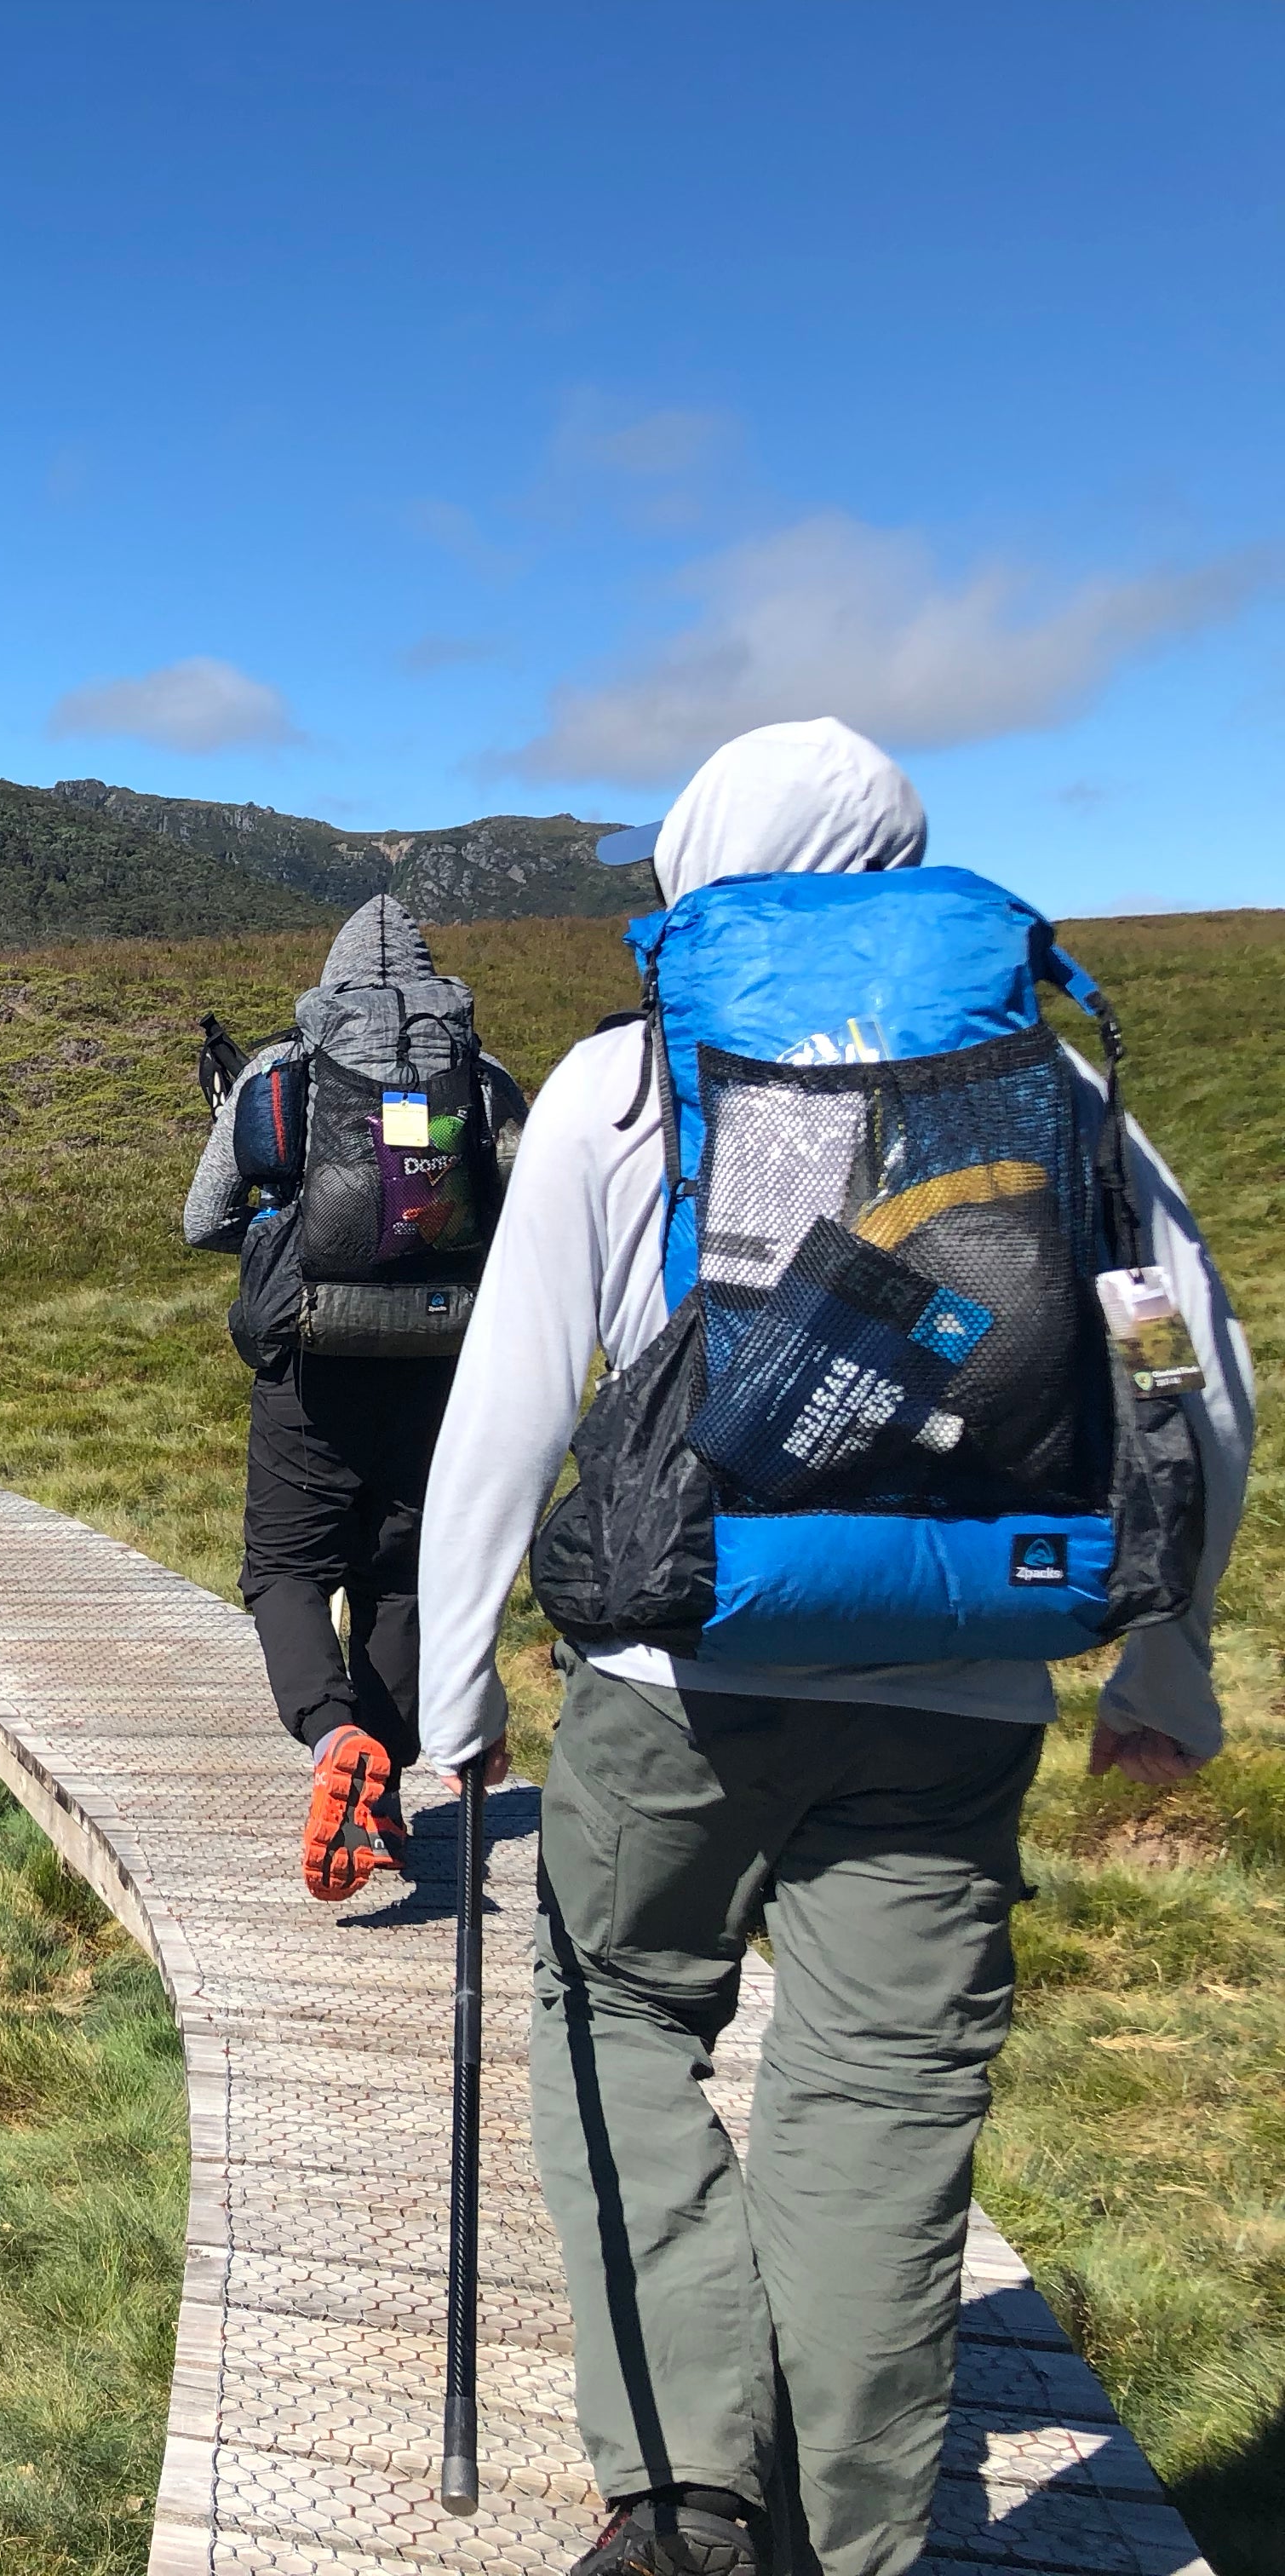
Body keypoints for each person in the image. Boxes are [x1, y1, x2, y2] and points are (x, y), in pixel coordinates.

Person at [414, 719, 1256, 2576]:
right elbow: (1192, 1374)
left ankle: (688, 2488)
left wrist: (448, 1693)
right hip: (964, 1685)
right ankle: (838, 2547)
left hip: (678, 1681)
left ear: (705, 865)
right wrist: (1170, 1655)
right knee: (878, 2100)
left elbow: (507, 1396)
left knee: (618, 2016)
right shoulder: (1046, 1089)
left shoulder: (629, 1081)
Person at [186, 894, 528, 1900]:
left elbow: (204, 1219)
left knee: (286, 1568)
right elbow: (525, 1218)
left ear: (331, 979)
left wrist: (277, 1221)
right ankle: (384, 1771)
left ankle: (333, 1741)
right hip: (437, 1366)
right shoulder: (484, 1078)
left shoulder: (281, 1071)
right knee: (403, 1577)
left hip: (307, 1362)